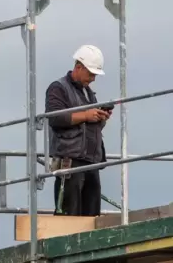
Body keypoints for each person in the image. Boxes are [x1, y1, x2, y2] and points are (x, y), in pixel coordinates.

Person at [45, 44, 113, 216]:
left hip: (90, 161)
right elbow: (54, 118)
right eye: (90, 74)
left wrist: (99, 119)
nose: (93, 79)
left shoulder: (89, 93)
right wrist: (86, 115)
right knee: (69, 216)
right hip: (70, 162)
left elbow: (86, 124)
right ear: (78, 67)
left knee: (91, 217)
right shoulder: (58, 88)